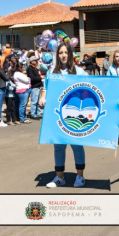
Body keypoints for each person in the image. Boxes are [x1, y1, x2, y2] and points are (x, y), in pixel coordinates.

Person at [39, 43, 88, 188]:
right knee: (58, 146)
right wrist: (43, 97)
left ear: (71, 54)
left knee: (77, 146)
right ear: (57, 55)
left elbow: (88, 88)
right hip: (57, 116)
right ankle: (59, 177)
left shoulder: (79, 71)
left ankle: (80, 176)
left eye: (66, 52)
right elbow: (45, 88)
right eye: (60, 52)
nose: (63, 55)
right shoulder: (52, 72)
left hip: (75, 115)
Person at [12, 59, 31, 124]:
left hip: (21, 90)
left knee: (20, 105)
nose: (23, 67)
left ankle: (21, 117)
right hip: (22, 91)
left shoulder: (17, 73)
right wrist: (28, 78)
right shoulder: (18, 74)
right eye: (22, 66)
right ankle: (22, 118)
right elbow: (27, 80)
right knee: (22, 105)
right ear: (19, 67)